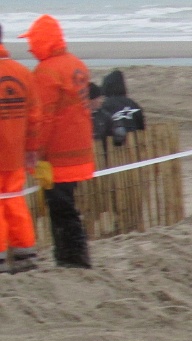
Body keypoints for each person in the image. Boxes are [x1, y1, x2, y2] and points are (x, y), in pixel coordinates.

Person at [19, 14, 94, 269]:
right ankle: (73, 255)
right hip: (80, 151)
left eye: (32, 41)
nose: (30, 47)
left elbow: (43, 119)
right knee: (66, 205)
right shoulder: (76, 64)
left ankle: (72, 257)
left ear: (43, 41)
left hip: (58, 156)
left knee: (61, 208)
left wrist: (35, 152)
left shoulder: (46, 72)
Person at [0, 23, 42, 274]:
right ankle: (25, 253)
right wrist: (31, 149)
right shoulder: (23, 73)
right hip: (15, 152)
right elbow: (35, 117)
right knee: (14, 201)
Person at [100, 69, 145, 147]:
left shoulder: (105, 106)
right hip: (135, 145)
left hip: (114, 148)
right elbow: (142, 128)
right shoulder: (134, 104)